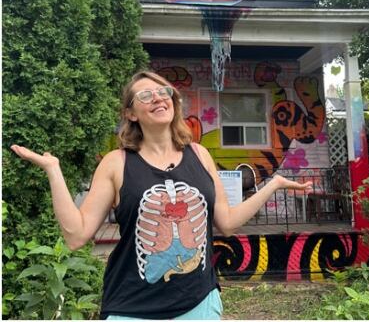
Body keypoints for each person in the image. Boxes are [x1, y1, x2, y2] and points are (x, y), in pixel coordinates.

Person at [11, 70, 313, 319]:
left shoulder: (200, 154)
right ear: (130, 113)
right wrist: (53, 169)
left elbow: (229, 222)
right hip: (132, 308)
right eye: (145, 95)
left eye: (163, 92)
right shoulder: (116, 163)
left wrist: (273, 184)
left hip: (199, 303)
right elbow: (76, 236)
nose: (157, 97)